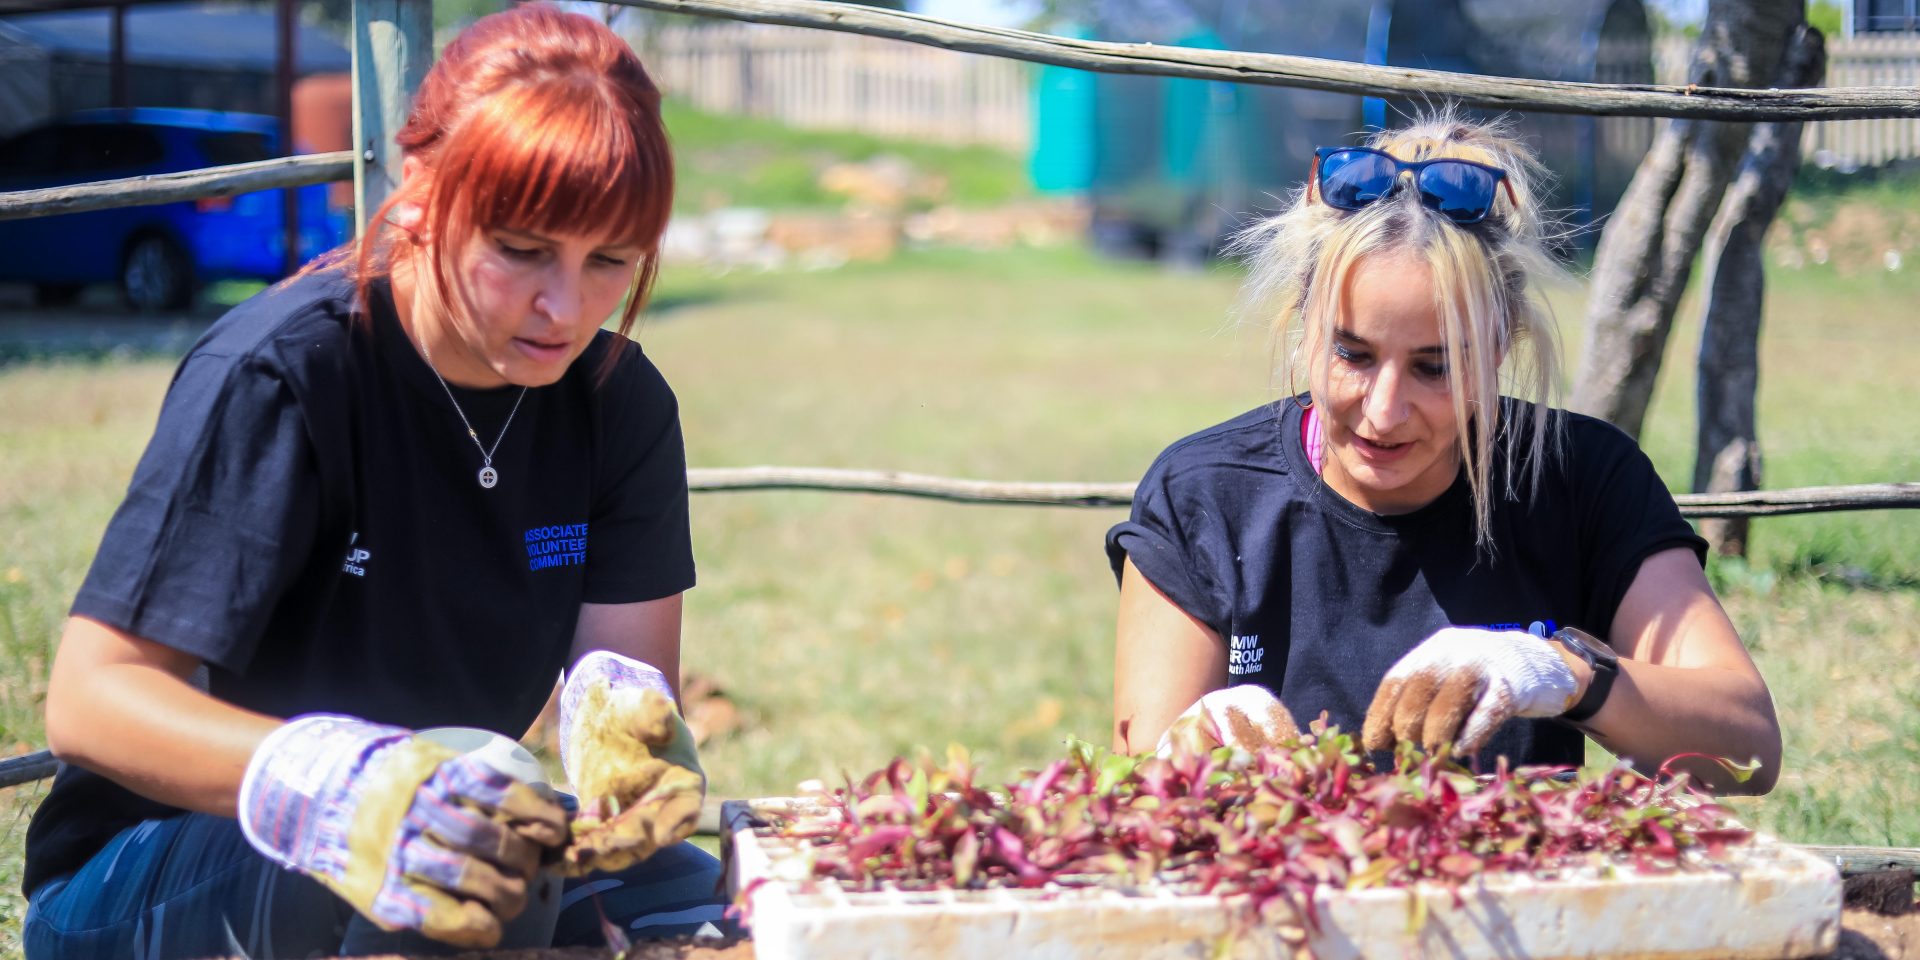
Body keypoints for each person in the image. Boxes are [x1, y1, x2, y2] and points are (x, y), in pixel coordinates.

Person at [22, 5, 726, 956]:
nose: (565, 308)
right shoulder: (286, 374)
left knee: (706, 898)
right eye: (521, 249)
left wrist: (624, 734)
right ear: (423, 190)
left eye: (608, 260)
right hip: (152, 865)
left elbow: (626, 685)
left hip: (441, 817)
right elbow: (90, 702)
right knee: (466, 849)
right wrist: (344, 787)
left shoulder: (618, 403)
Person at [1107, 113, 1782, 794]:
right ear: (1305, 322)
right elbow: (1138, 797)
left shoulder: (1582, 477)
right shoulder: (1204, 495)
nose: (1384, 411)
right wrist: (1193, 743)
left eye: (1436, 367)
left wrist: (1563, 673)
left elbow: (1748, 751)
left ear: (1501, 344)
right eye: (1352, 354)